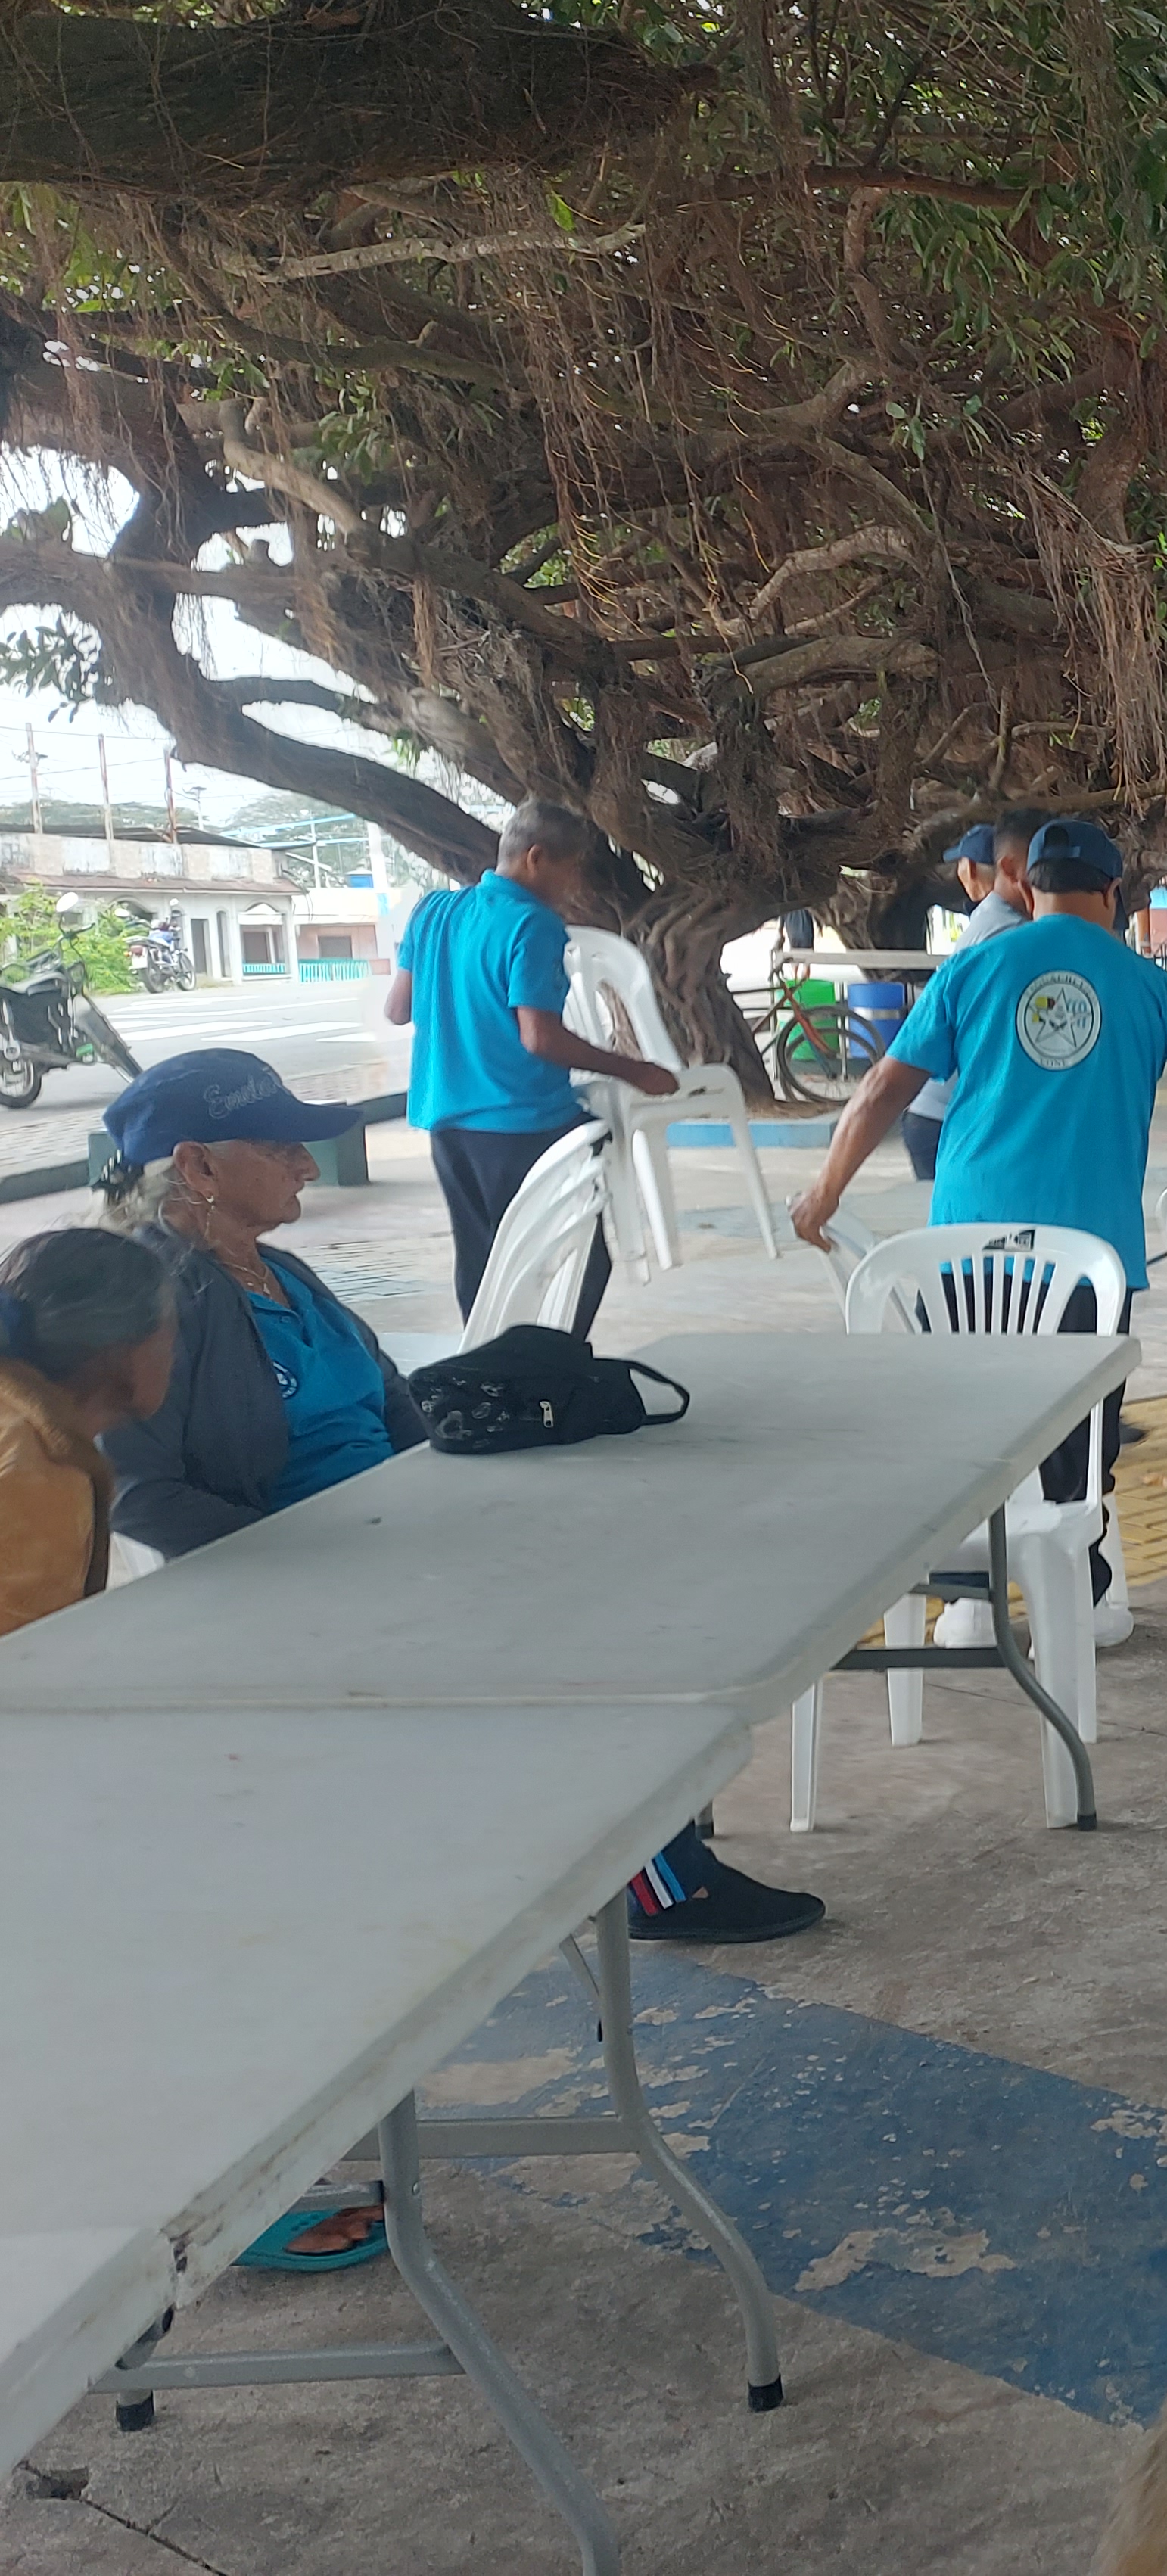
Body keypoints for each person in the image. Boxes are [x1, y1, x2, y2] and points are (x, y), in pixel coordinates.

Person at [95, 1050, 825, 1950]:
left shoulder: (278, 1272)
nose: (306, 1165)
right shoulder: (152, 1304)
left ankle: (651, 1832)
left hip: (393, 1540)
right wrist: (312, 1558)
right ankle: (664, 1884)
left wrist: (454, 1511)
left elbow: (396, 1410)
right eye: (280, 1147)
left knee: (629, 1575)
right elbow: (137, 1493)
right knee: (557, 1649)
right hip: (302, 1581)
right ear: (198, 1167)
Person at [789, 818, 1167, 1641]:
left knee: (969, 1432)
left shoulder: (972, 968)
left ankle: (970, 1604)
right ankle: (1081, 1604)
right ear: (1113, 893)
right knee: (1078, 1444)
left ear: (1027, 890)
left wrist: (825, 1191)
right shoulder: (1152, 987)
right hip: (1085, 1265)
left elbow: (884, 1089)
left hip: (963, 1258)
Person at [386, 798, 679, 1335]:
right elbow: (540, 1037)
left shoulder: (432, 912)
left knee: (482, 1256)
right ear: (537, 858)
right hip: (524, 1122)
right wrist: (633, 1070)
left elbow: (397, 1009)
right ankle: (552, 1365)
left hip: (446, 1121)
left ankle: (488, 1365)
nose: (575, 886)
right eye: (573, 870)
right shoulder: (534, 924)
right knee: (579, 1257)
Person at [0, 1227, 174, 1638]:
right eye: (169, 1338)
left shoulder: (19, 1424)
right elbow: (29, 1657)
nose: (173, 1357)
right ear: (123, 1354)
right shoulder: (43, 1479)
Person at [903, 816, 1036, 1184]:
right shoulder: (1003, 931)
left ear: (971, 869)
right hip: (947, 1117)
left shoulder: (995, 923)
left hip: (946, 1113)